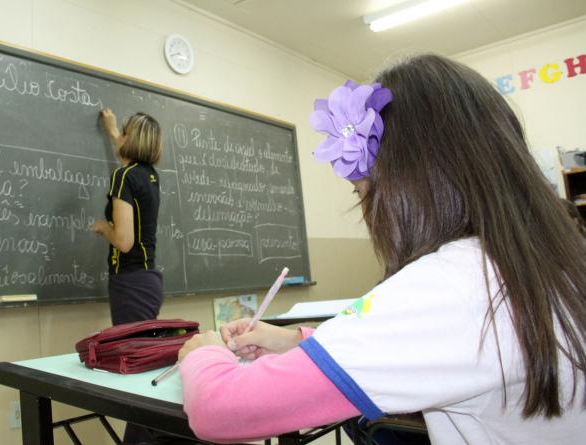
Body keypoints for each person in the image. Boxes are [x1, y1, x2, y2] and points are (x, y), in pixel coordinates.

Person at [177, 54, 586, 444]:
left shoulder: (449, 285)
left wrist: (205, 353)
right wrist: (297, 342)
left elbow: (219, 408)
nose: (367, 214)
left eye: (363, 193)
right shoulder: (542, 261)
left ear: (405, 184)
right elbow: (427, 345)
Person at [92, 109, 163, 444]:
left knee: (135, 375)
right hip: (148, 281)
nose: (120, 135)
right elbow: (127, 155)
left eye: (124, 132)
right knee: (142, 370)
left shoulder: (123, 177)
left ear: (131, 140)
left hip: (130, 283)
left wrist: (104, 227)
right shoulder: (148, 175)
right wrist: (111, 131)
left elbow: (124, 240)